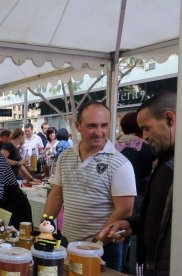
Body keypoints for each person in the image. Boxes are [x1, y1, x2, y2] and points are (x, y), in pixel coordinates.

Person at [44, 101, 136, 271]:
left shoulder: (120, 163)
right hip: (67, 240)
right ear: (78, 126)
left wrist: (98, 243)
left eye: (104, 126)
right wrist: (44, 226)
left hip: (103, 248)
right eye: (92, 126)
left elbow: (124, 210)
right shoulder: (65, 157)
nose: (99, 132)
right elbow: (57, 194)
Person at [98, 92, 176, 275]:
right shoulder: (164, 162)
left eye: (147, 128)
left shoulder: (171, 166)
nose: (144, 136)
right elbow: (160, 216)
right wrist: (132, 224)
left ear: (170, 119)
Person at [115, 112, 157, 216]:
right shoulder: (147, 148)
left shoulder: (114, 148)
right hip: (140, 197)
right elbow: (157, 173)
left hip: (116, 199)